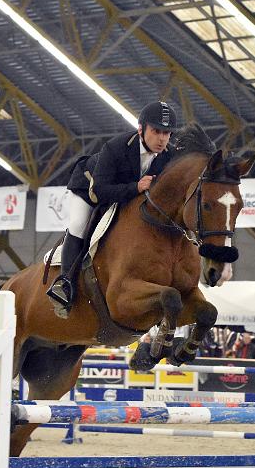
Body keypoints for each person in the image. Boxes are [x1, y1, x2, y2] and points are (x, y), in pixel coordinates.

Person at [46, 101, 179, 318]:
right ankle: (65, 285)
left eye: (167, 133)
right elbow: (100, 191)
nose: (162, 138)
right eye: (156, 131)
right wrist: (136, 187)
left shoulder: (168, 156)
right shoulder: (116, 147)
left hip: (124, 196)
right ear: (141, 129)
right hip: (89, 189)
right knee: (79, 225)